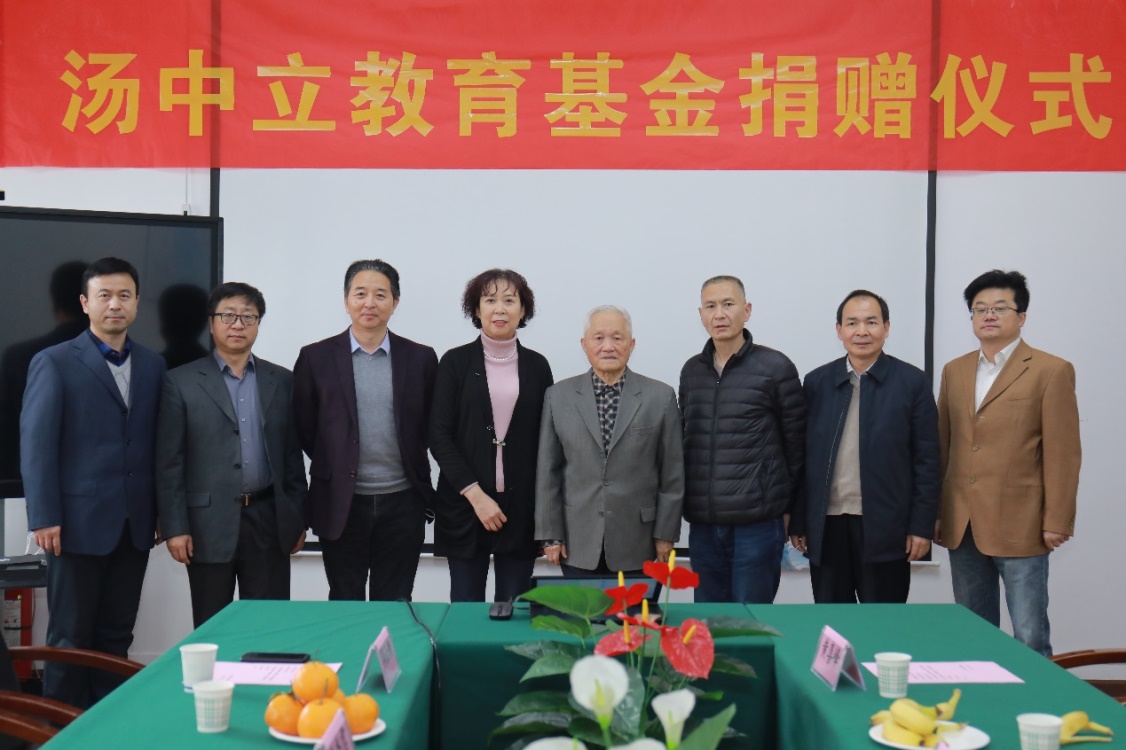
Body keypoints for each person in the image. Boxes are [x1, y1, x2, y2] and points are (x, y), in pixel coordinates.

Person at [20, 257, 166, 707]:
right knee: (69, 636)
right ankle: (60, 729)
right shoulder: (54, 361)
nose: (114, 304)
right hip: (74, 525)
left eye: (124, 295)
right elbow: (37, 445)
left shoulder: (154, 365)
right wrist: (44, 516)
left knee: (117, 635)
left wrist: (161, 512)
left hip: (135, 525)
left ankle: (108, 726)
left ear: (137, 303)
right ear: (85, 303)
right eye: (105, 295)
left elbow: (159, 446)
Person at [935, 269, 1080, 656]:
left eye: (1000, 307)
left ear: (1022, 316)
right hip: (963, 521)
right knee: (973, 633)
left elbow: (1064, 452)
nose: (988, 315)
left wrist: (1057, 519)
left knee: (1030, 635)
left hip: (1022, 522)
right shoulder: (955, 370)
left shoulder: (1051, 370)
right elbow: (943, 446)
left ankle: (1036, 696)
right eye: (979, 308)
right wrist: (937, 512)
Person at [156, 282, 308, 627]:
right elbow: (169, 463)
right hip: (206, 525)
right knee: (212, 626)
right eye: (228, 316)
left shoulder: (282, 380)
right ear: (211, 323)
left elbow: (291, 456)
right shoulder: (180, 382)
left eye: (248, 317)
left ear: (258, 324)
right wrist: (175, 527)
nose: (238, 324)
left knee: (269, 626)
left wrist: (297, 518)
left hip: (268, 520)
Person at [293, 260, 437, 601]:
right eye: (360, 294)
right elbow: (304, 427)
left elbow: (431, 425)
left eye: (380, 295)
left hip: (403, 500)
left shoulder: (421, 358)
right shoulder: (315, 358)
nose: (369, 303)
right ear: (346, 301)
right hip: (340, 501)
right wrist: (339, 462)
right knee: (346, 599)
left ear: (395, 303)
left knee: (396, 600)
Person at [789, 290, 940, 603]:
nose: (862, 331)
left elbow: (928, 461)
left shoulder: (912, 383)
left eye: (871, 322)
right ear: (839, 330)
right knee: (834, 621)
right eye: (852, 323)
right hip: (827, 526)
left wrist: (921, 526)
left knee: (882, 623)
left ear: (886, 327)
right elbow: (803, 458)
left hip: (886, 527)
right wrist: (800, 519)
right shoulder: (817, 382)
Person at [679, 275, 805, 603]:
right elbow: (686, 438)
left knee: (751, 620)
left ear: (746, 311)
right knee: (709, 621)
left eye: (728, 304)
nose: (719, 314)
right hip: (704, 526)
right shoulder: (692, 371)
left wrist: (791, 509)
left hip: (758, 524)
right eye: (710, 306)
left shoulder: (775, 367)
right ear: (701, 315)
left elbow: (796, 446)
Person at [429, 270, 553, 602]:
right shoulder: (454, 362)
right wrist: (475, 495)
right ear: (477, 309)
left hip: (521, 507)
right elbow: (438, 435)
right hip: (465, 504)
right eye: (490, 300)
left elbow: (547, 442)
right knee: (465, 608)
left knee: (515, 608)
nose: (500, 308)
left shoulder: (538, 366)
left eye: (509, 300)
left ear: (523, 310)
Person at [535, 305, 683, 575]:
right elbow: (548, 472)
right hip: (577, 541)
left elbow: (672, 474)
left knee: (636, 606)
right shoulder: (558, 396)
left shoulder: (660, 397)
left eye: (617, 338)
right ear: (584, 345)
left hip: (639, 541)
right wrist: (550, 534)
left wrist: (665, 533)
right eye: (598, 338)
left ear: (631, 344)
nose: (608, 346)